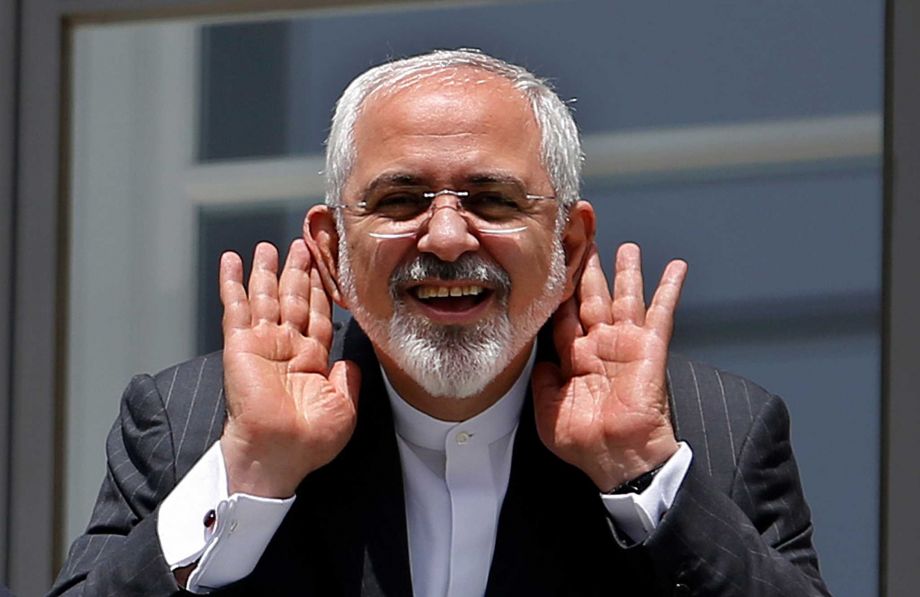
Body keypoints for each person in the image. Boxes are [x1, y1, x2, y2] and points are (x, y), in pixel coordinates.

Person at [50, 49, 829, 596]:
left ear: (569, 243)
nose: (448, 238)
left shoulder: (711, 434)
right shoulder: (196, 429)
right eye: (399, 202)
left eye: (492, 199)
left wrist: (644, 477)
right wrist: (252, 475)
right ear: (331, 253)